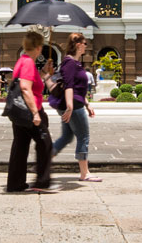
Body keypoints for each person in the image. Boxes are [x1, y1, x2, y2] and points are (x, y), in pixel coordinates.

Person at [6, 30, 52, 193]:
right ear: (38, 47)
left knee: (20, 146)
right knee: (45, 144)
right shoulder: (28, 63)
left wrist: (44, 72)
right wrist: (35, 113)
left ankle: (15, 183)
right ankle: (42, 182)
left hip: (20, 112)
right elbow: (26, 88)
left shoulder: (22, 61)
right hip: (30, 112)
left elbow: (30, 82)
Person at [50, 33, 99, 182]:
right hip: (74, 106)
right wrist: (70, 107)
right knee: (83, 137)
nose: (86, 46)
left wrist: (87, 104)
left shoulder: (75, 63)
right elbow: (69, 86)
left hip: (76, 103)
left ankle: (44, 159)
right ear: (78, 45)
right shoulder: (70, 63)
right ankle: (85, 173)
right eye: (84, 43)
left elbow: (79, 88)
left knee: (67, 137)